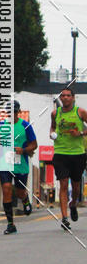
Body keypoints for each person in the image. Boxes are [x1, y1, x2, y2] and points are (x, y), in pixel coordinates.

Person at [0, 100, 37, 235]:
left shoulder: (25, 126)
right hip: (4, 163)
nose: (11, 115)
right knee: (7, 188)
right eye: (8, 112)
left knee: (20, 192)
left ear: (18, 112)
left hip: (21, 164)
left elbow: (34, 144)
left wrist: (24, 150)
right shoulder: (0, 126)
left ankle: (25, 201)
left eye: (13, 112)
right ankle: (10, 224)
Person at [50, 87, 87, 230]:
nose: (65, 98)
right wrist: (52, 133)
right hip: (60, 153)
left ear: (73, 98)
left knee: (76, 186)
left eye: (68, 96)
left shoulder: (80, 112)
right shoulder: (55, 113)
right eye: (63, 96)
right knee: (63, 184)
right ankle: (64, 218)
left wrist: (81, 133)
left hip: (77, 154)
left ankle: (73, 204)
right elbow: (52, 127)